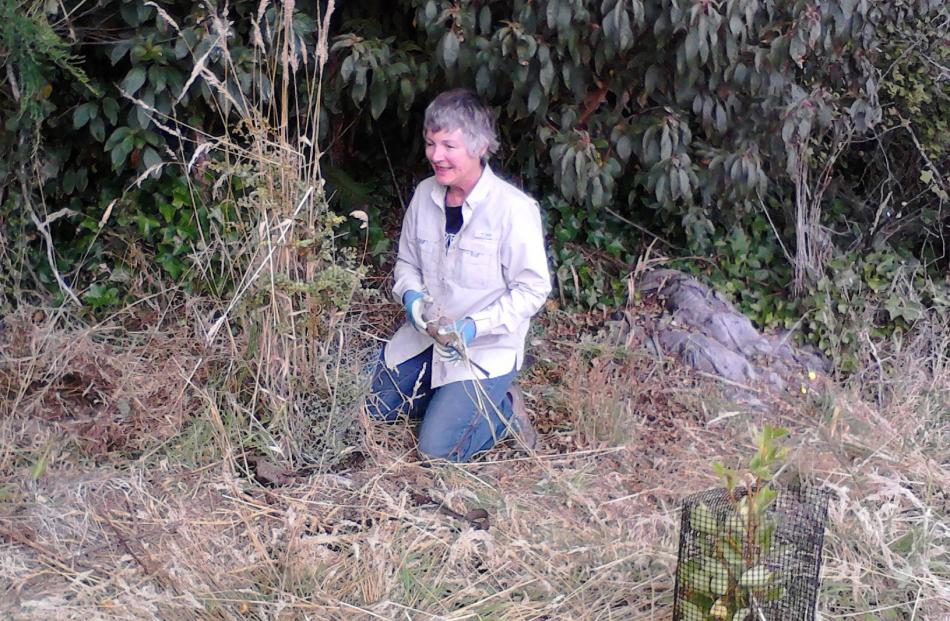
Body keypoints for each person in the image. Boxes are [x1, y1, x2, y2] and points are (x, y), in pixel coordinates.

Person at [365, 88, 552, 462]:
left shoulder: (514, 210)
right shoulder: (424, 195)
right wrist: (411, 296)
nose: (436, 156)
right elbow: (406, 265)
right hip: (423, 340)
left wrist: (474, 326)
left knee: (437, 451)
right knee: (369, 407)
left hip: (483, 351)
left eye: (448, 145)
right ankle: (445, 399)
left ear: (480, 146)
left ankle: (505, 414)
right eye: (431, 143)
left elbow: (533, 290)